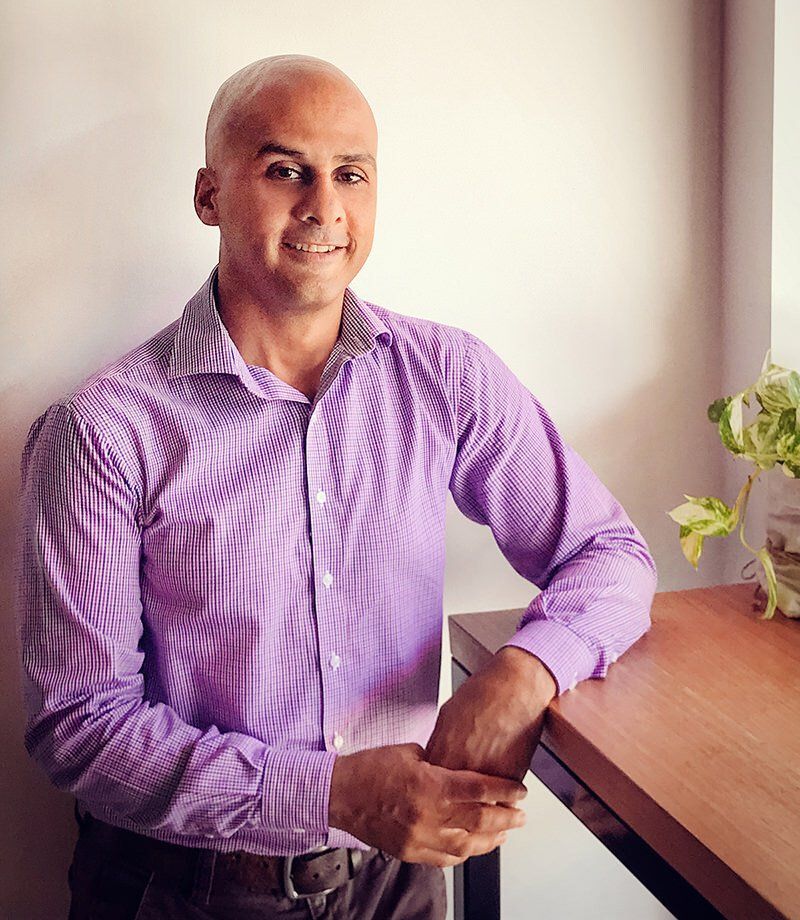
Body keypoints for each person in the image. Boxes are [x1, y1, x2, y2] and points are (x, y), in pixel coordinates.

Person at [14, 54, 658, 919]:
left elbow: (608, 554)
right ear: (209, 197)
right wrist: (330, 794)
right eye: (286, 171)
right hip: (186, 891)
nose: (324, 207)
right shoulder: (103, 431)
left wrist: (523, 672)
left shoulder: (446, 376)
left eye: (350, 173)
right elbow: (81, 725)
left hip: (402, 885)